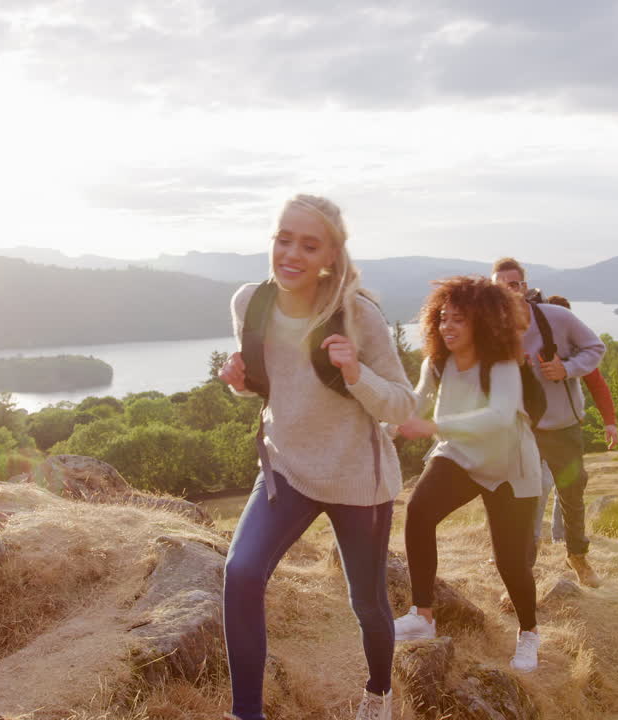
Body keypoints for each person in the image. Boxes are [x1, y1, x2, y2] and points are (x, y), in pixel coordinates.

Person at [218, 194, 415, 720]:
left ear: (330, 255)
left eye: (309, 244)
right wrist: (240, 384)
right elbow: (271, 385)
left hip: (358, 481)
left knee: (367, 604)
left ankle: (378, 695)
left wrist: (356, 374)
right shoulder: (250, 304)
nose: (291, 254)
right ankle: (246, 713)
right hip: (287, 469)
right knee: (240, 573)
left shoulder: (358, 316)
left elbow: (402, 403)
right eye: (284, 239)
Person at [393, 275, 545, 672]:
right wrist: (382, 424)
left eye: (458, 320)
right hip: (460, 454)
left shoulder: (502, 364)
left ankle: (528, 633)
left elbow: (498, 417)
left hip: (509, 464)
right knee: (419, 511)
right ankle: (422, 616)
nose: (447, 327)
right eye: (443, 318)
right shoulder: (437, 363)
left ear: (481, 321)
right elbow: (413, 404)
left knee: (510, 563)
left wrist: (435, 427)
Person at [490, 259, 606, 587]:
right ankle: (522, 572)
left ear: (524, 288)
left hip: (561, 426)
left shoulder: (558, 318)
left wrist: (566, 368)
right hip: (520, 428)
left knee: (571, 493)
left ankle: (578, 558)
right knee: (521, 499)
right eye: (500, 285)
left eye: (513, 284)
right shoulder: (491, 328)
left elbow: (595, 348)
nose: (508, 291)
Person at [540, 294, 618, 546]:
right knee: (536, 484)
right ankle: (525, 541)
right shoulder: (529, 346)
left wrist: (610, 423)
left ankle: (561, 539)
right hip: (532, 430)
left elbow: (597, 385)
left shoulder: (576, 352)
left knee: (570, 484)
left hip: (565, 430)